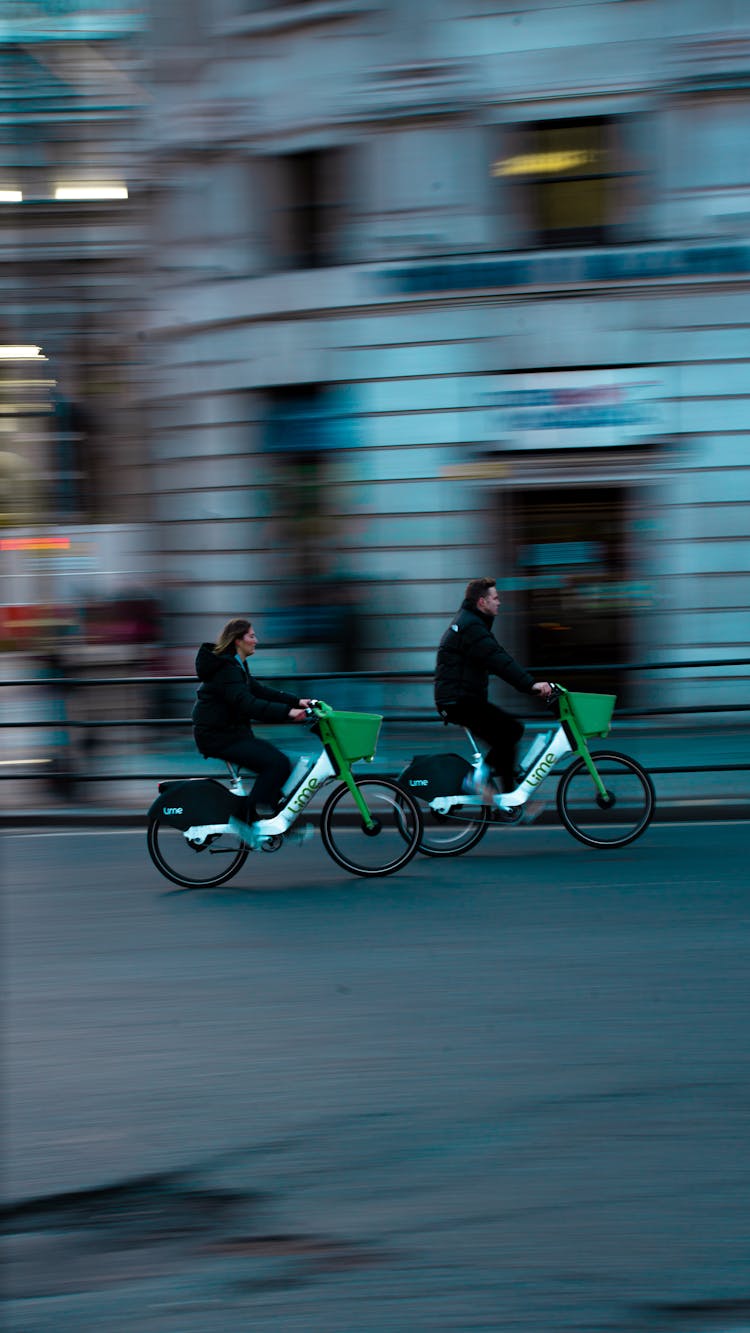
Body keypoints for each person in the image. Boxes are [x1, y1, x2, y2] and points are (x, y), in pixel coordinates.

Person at [434, 577, 554, 800]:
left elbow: (495, 659)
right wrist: (530, 685)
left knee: (510, 733)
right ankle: (477, 781)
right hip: (459, 701)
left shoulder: (472, 622)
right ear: (482, 602)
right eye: (495, 598)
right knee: (510, 732)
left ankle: (508, 800)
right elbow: (498, 660)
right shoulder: (472, 627)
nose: (499, 602)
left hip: (463, 699)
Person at [192, 617, 314, 835]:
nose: (256, 640)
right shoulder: (227, 669)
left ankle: (274, 822)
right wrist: (288, 712)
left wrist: (297, 702)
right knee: (276, 763)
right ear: (238, 640)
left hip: (230, 733)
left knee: (281, 764)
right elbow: (248, 704)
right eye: (251, 636)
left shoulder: (236, 664)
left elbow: (259, 691)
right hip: (218, 736)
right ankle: (244, 820)